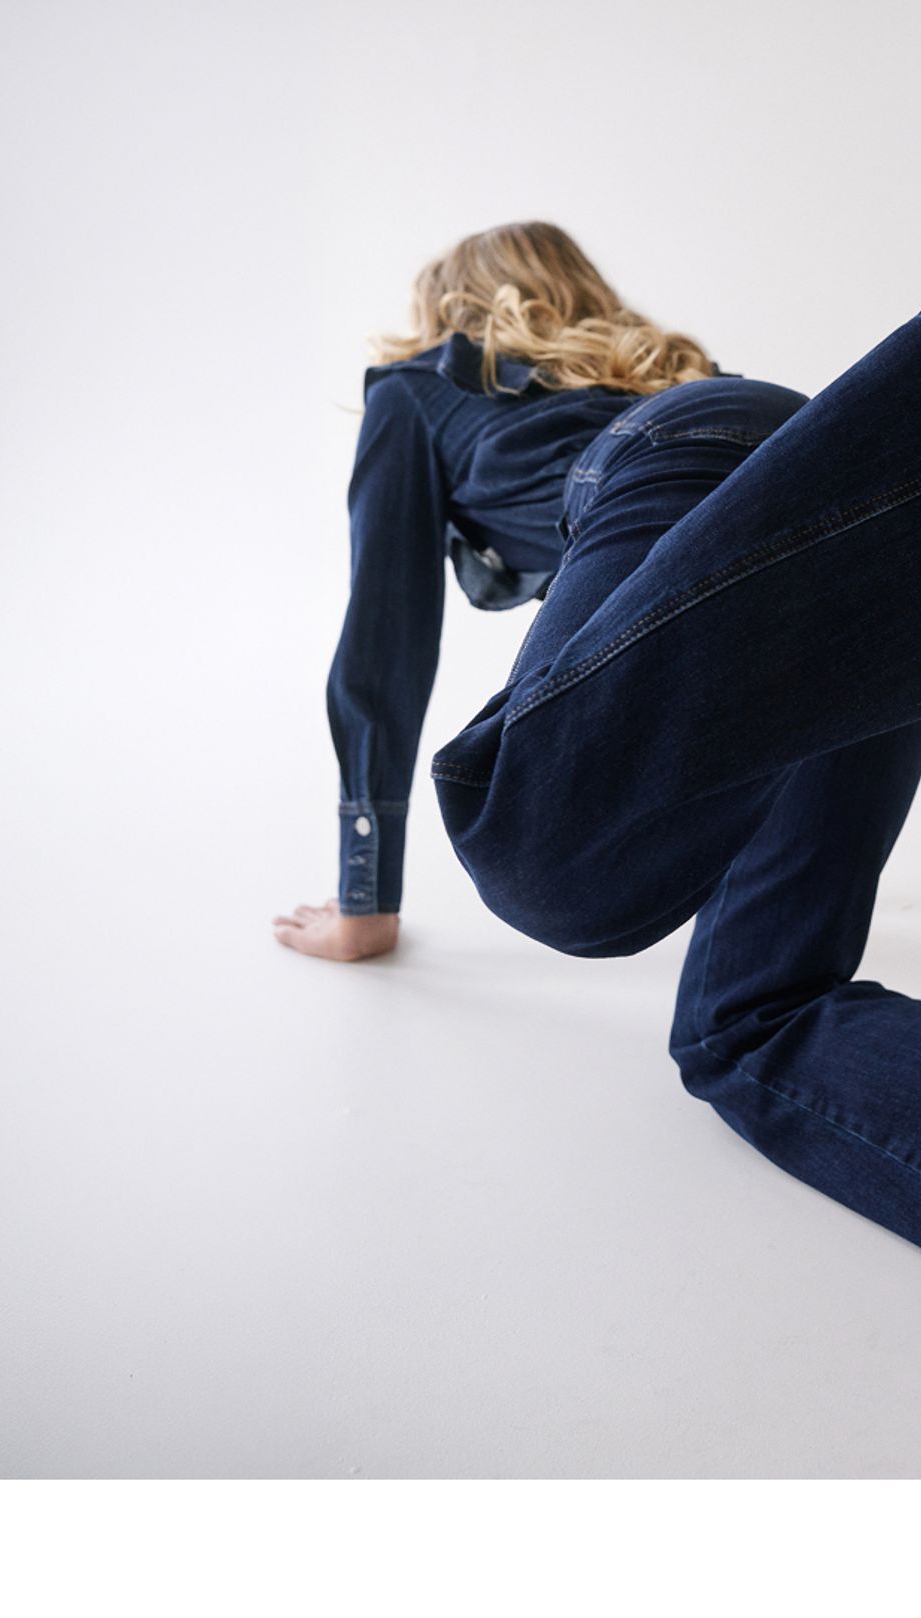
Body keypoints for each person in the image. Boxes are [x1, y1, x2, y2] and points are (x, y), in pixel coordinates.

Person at [272, 219, 921, 1250]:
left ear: (451, 305)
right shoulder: (668, 366)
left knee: (535, 846)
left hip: (667, 475)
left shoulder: (413, 391)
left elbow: (382, 639)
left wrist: (365, 896)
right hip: (814, 470)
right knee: (751, 1014)